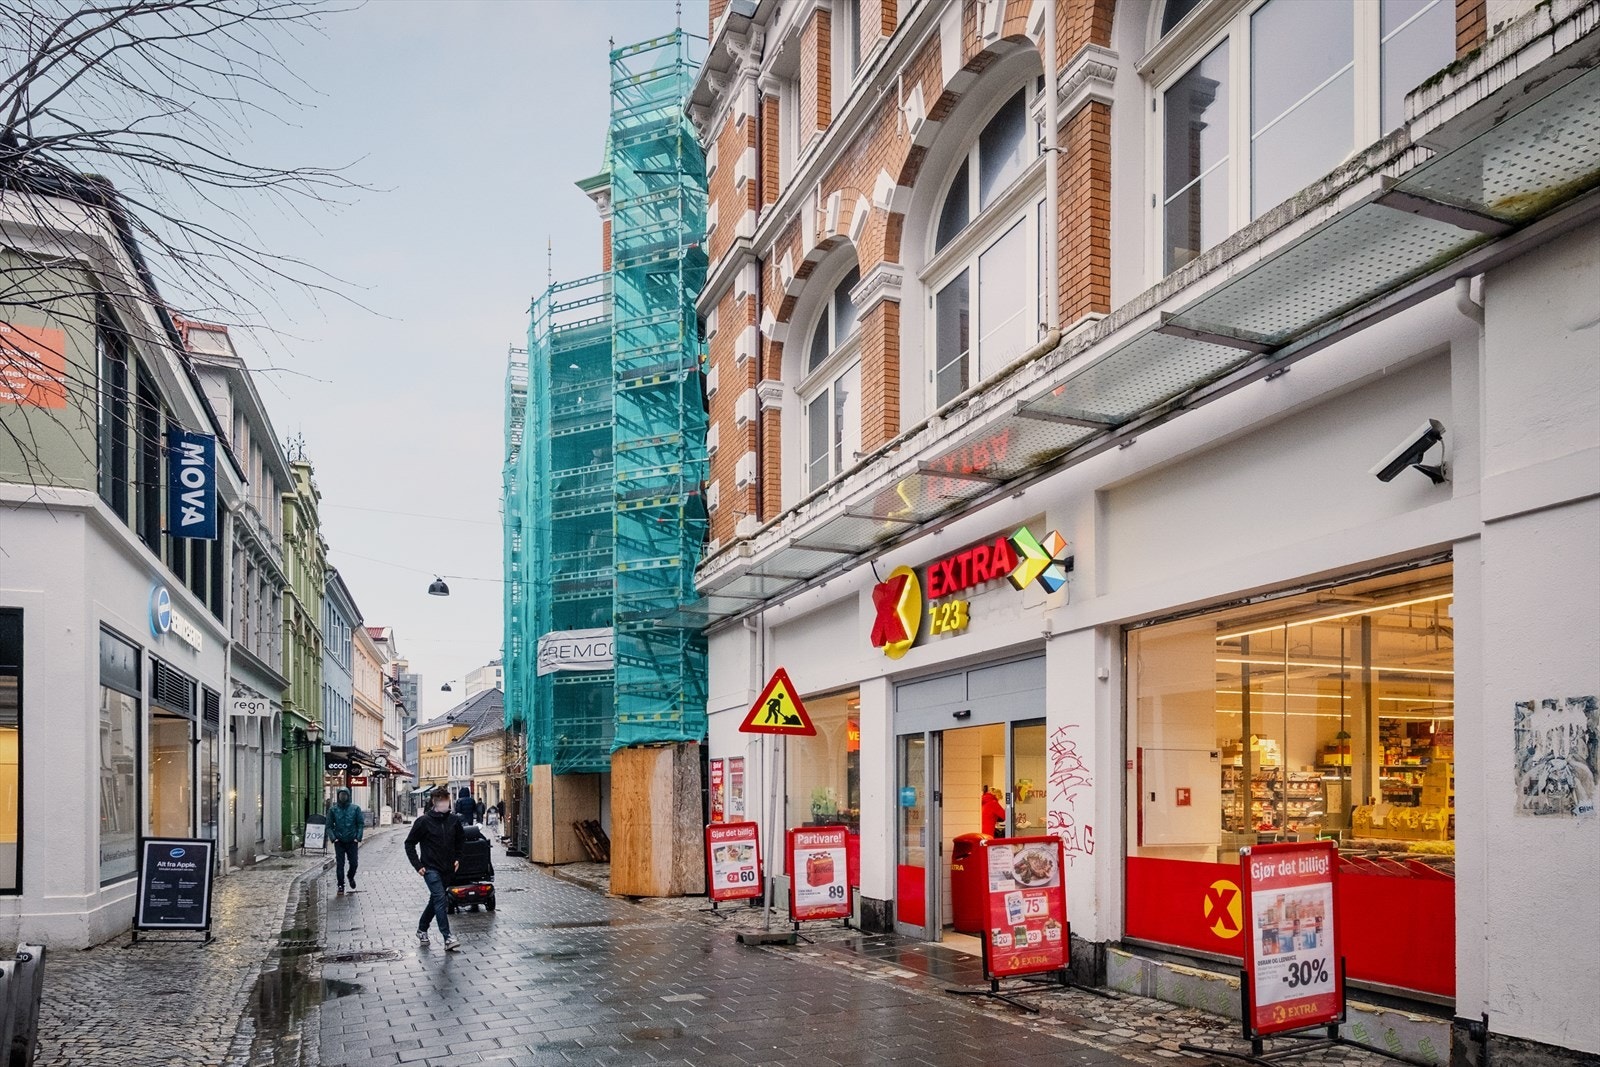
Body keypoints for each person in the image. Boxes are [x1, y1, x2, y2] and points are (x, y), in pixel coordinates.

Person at [405, 786, 464, 951]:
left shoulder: (454, 820)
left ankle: (422, 929)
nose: (445, 804)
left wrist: (458, 858)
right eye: (442, 801)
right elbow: (409, 843)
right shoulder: (423, 822)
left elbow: (461, 841)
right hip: (430, 868)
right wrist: (418, 865)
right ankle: (448, 937)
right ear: (434, 802)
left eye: (447, 801)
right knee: (440, 898)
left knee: (435, 900)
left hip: (448, 869)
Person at [327, 788, 364, 894]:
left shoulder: (355, 809)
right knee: (340, 864)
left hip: (352, 840)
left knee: (354, 863)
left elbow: (360, 824)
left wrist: (358, 837)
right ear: (338, 796)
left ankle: (350, 876)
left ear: (348, 796)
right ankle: (340, 885)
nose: (343, 797)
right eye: (341, 795)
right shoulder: (333, 810)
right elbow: (329, 826)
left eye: (344, 795)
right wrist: (334, 838)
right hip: (339, 841)